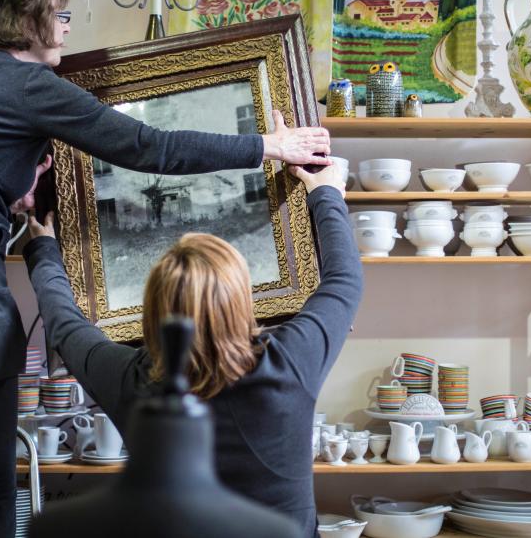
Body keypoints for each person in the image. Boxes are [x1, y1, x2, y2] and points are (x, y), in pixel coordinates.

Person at [0, 0, 330, 538]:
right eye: (62, 14)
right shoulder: (28, 82)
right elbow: (149, 147)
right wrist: (268, 145)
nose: (69, 27)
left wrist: (10, 190)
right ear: (28, 20)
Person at [22, 163, 362, 538]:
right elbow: (344, 280)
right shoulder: (292, 358)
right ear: (243, 302)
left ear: (151, 311)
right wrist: (325, 194)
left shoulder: (128, 378)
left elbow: (65, 324)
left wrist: (42, 249)